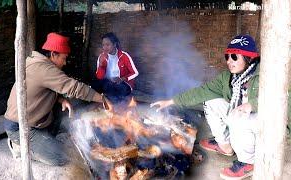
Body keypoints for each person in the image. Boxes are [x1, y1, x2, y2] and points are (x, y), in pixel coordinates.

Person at [151, 35, 275, 179]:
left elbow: (282, 98)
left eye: (234, 57)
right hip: (241, 119)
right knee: (210, 101)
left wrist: (251, 104)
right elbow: (201, 92)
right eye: (227, 57)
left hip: (265, 124)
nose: (229, 61)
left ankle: (248, 162)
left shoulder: (266, 74)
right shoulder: (227, 78)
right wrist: (171, 101)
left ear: (249, 58)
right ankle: (225, 146)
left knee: (238, 116)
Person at [4, 32, 105, 166]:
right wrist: (102, 99)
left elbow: (43, 88)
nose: (65, 62)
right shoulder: (43, 69)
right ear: (53, 54)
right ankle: (19, 146)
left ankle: (44, 141)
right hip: (19, 127)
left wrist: (61, 100)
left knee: (68, 108)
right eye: (64, 58)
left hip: (34, 119)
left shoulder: (39, 62)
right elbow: (74, 87)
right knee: (62, 156)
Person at [92, 32, 139, 103]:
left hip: (122, 83)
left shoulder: (124, 56)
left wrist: (122, 79)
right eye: (103, 45)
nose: (105, 47)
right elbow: (99, 77)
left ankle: (115, 104)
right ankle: (110, 102)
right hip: (108, 83)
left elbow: (135, 73)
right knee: (95, 86)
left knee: (119, 88)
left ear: (114, 44)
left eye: (108, 45)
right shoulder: (102, 57)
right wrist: (101, 65)